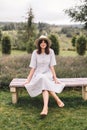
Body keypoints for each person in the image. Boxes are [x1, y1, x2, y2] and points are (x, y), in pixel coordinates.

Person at [24, 35, 65, 116]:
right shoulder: (35, 53)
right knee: (42, 79)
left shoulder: (51, 52)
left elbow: (51, 66)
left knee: (44, 82)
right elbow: (33, 67)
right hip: (38, 74)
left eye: (44, 42)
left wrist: (55, 78)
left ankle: (45, 108)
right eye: (41, 42)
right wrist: (28, 79)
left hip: (48, 74)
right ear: (39, 44)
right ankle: (55, 100)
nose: (43, 43)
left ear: (47, 43)